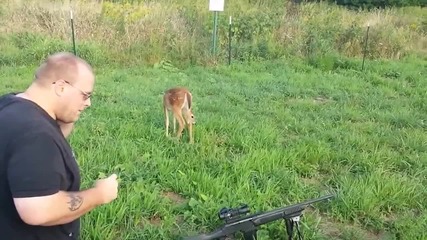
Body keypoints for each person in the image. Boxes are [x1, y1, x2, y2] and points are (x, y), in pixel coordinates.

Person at [0, 52, 119, 239]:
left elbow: (44, 146)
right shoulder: (35, 134)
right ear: (61, 87)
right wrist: (99, 195)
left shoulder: (11, 105)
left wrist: (67, 116)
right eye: (85, 95)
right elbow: (37, 209)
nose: (88, 103)